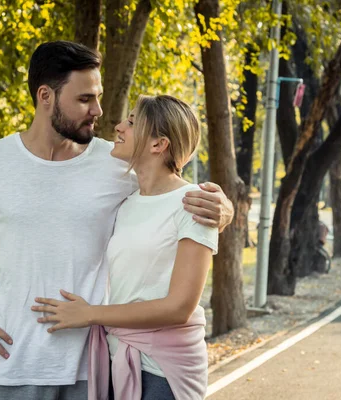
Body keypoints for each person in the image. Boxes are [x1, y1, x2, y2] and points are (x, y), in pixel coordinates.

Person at [0, 41, 233, 400]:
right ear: (46, 96)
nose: (98, 110)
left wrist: (223, 208)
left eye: (97, 97)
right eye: (84, 99)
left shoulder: (117, 164)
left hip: (94, 369)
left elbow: (169, 190)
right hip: (11, 362)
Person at [32, 95, 215, 400]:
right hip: (119, 358)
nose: (118, 126)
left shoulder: (193, 204)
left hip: (164, 370)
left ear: (158, 145)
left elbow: (179, 307)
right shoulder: (127, 203)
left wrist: (91, 314)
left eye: (132, 122)